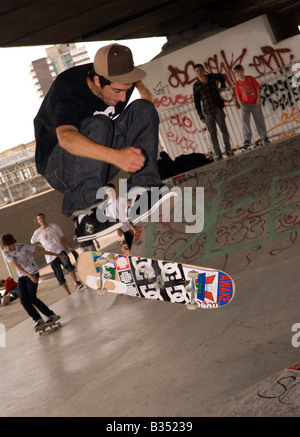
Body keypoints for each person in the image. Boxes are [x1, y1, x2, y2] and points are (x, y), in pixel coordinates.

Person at [34, 43, 177, 243]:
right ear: (96, 80)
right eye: (117, 91)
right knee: (99, 123)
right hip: (60, 168)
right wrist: (117, 156)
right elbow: (66, 137)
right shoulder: (68, 90)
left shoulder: (121, 81)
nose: (122, 98)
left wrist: (145, 93)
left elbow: (135, 82)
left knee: (143, 109)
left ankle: (144, 190)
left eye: (127, 90)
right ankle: (84, 215)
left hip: (101, 162)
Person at [1, 233, 63, 332]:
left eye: (9, 245)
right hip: (22, 276)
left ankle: (51, 315)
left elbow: (40, 251)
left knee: (32, 297)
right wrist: (28, 276)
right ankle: (38, 319)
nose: (7, 248)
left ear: (13, 242)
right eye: (5, 246)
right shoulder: (5, 252)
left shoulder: (23, 247)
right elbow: (17, 266)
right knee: (23, 299)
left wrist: (58, 255)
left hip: (33, 272)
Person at [31, 213, 83, 295]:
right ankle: (68, 293)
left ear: (45, 218)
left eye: (42, 218)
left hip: (60, 250)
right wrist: (42, 246)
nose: (41, 220)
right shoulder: (37, 232)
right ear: (38, 221)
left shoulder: (54, 226)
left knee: (68, 266)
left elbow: (62, 237)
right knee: (59, 275)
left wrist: (68, 246)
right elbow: (32, 241)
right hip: (50, 256)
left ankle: (76, 283)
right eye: (39, 219)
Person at [193, 64, 234, 160]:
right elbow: (197, 102)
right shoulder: (196, 86)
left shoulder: (211, 77)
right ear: (195, 73)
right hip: (207, 112)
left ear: (203, 70)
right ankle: (218, 153)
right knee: (213, 133)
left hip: (217, 108)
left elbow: (221, 76)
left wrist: (223, 86)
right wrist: (201, 116)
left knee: (224, 130)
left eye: (200, 70)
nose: (199, 72)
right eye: (197, 71)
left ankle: (228, 149)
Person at [233, 64, 270, 148]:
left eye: (241, 71)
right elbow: (238, 95)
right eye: (237, 72)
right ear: (235, 74)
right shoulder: (237, 84)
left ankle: (264, 138)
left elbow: (257, 88)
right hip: (245, 105)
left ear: (243, 71)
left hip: (254, 103)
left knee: (259, 120)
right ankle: (247, 139)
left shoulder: (250, 78)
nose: (240, 73)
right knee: (245, 122)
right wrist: (241, 104)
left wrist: (258, 98)